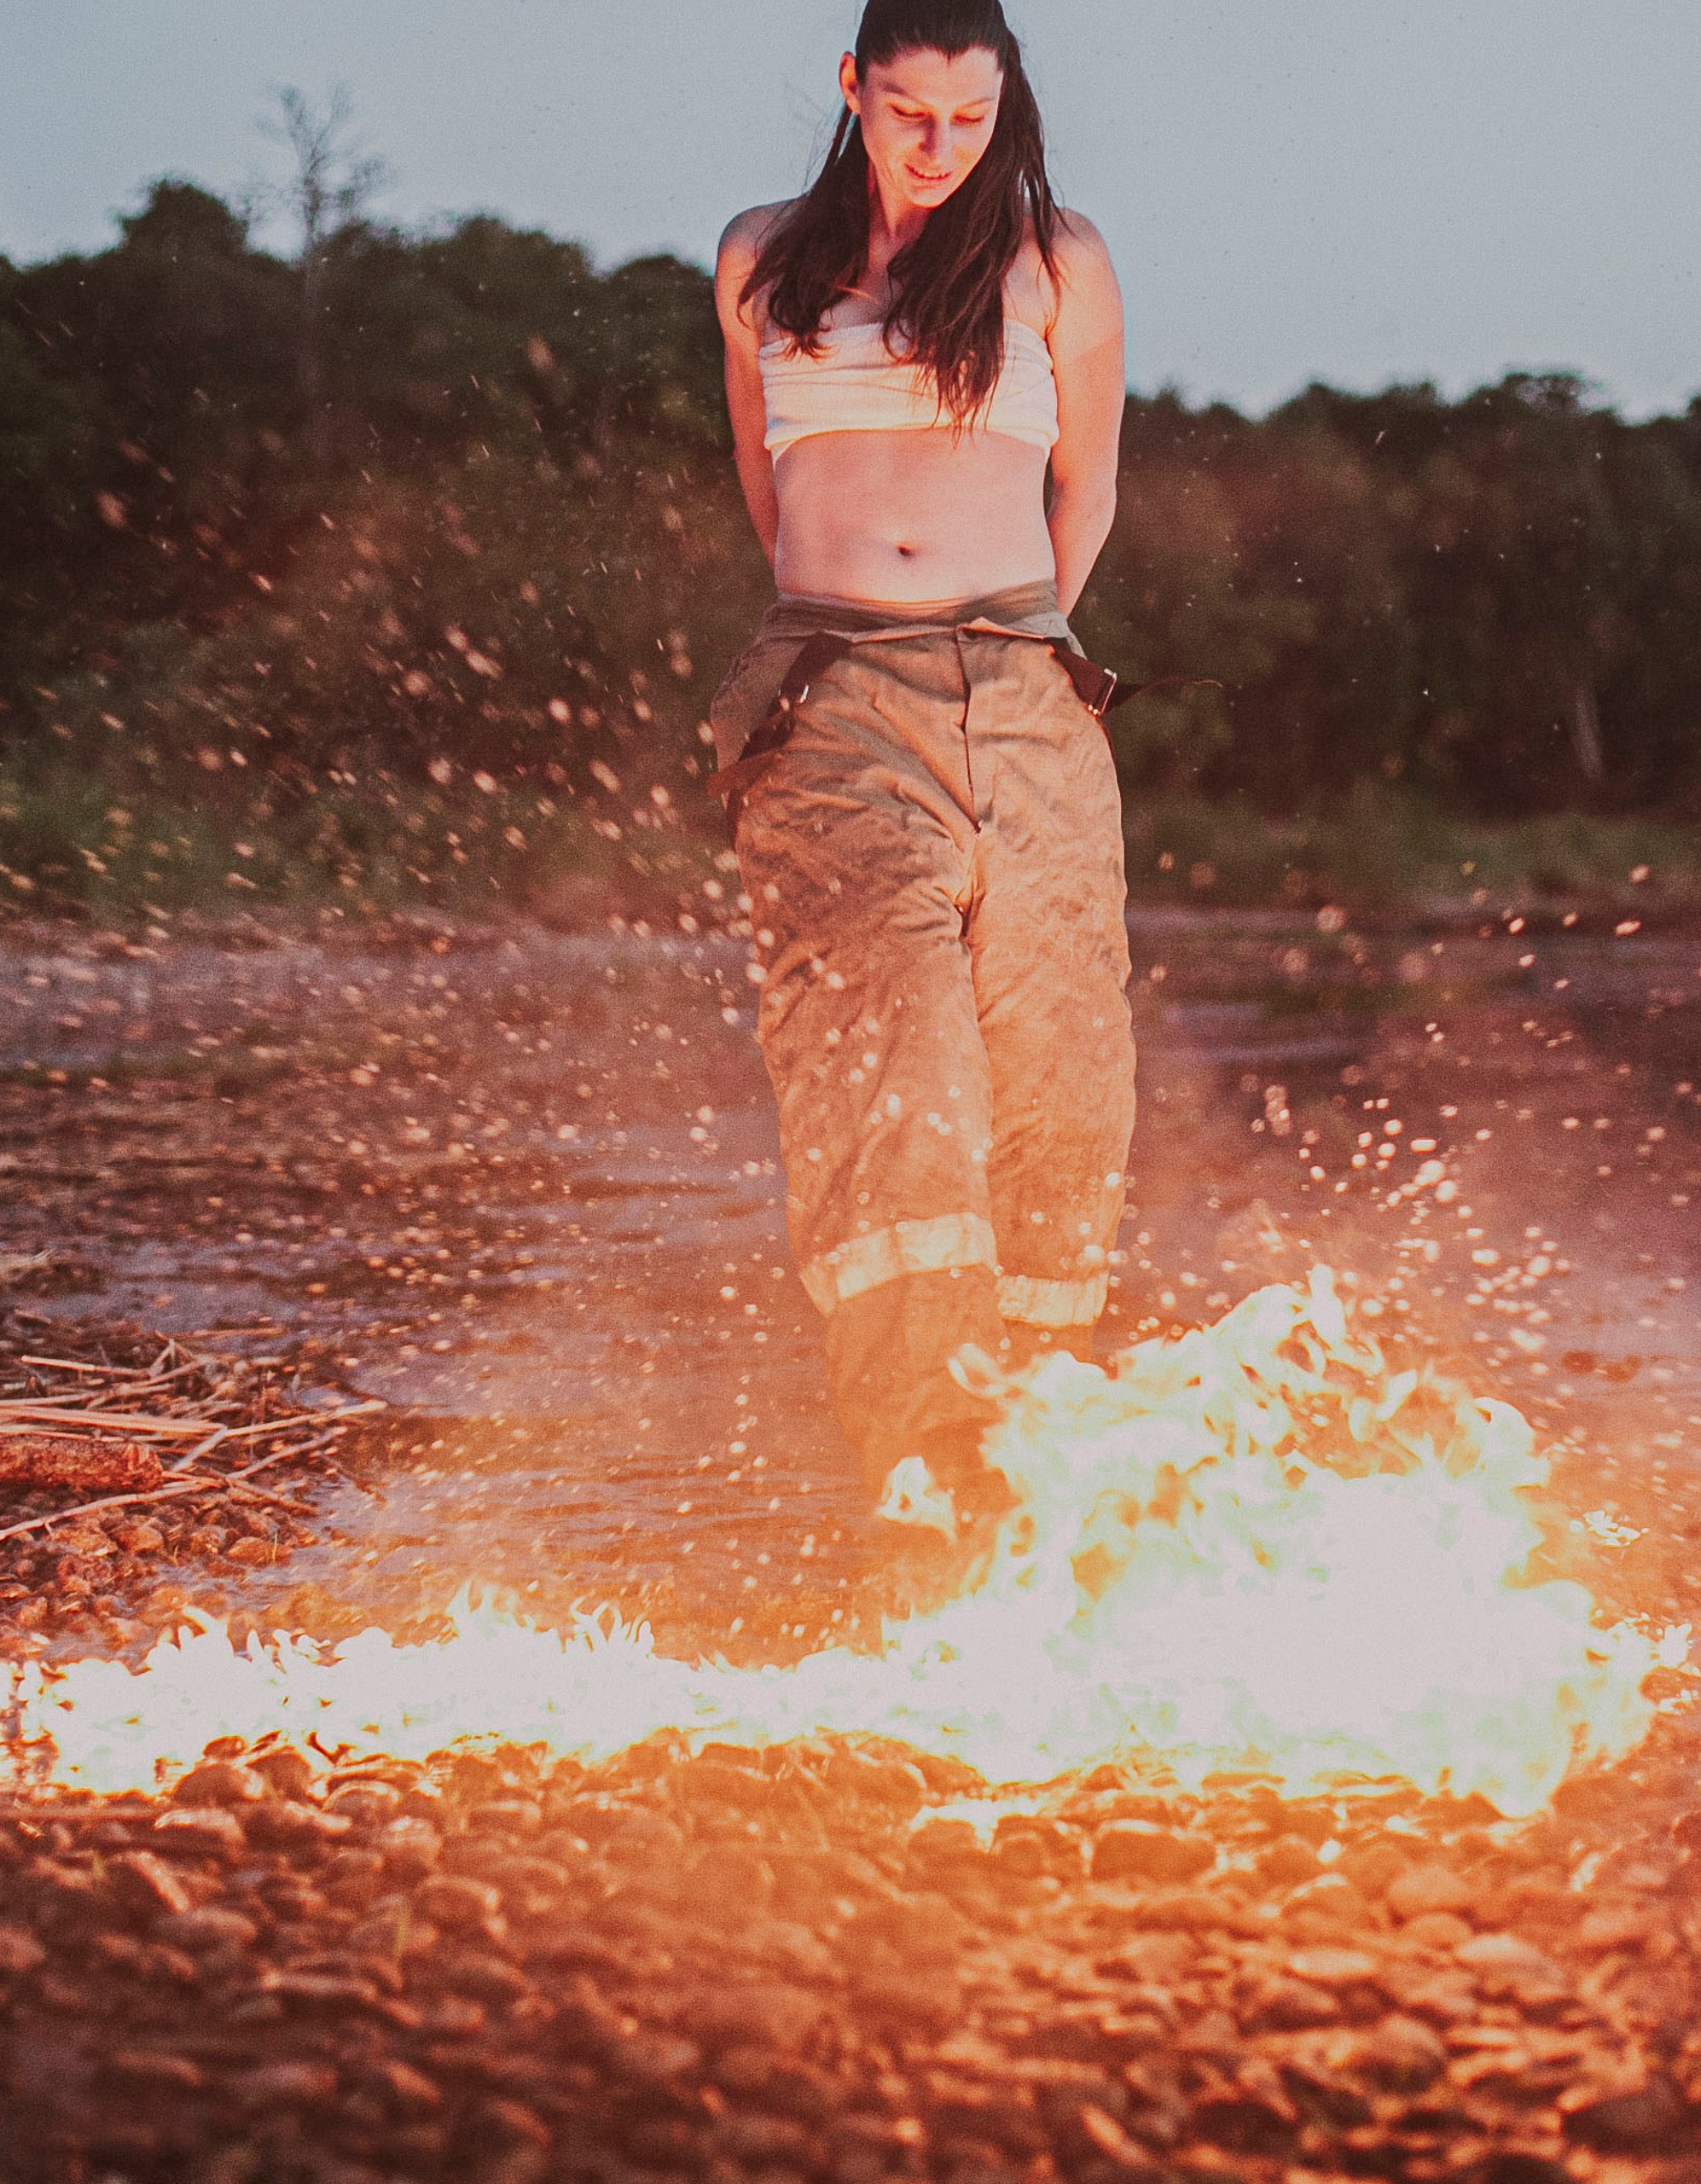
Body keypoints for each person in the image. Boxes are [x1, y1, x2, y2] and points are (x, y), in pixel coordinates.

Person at [711, 0, 1133, 1587]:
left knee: (1060, 1087)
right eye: (908, 113)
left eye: (968, 116)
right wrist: (852, 625)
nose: (939, 147)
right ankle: (922, 1495)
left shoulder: (1058, 260)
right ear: (852, 90)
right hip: (834, 700)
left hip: (1024, 691)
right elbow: (769, 479)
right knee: (893, 1083)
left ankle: (1032, 1475)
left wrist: (1018, 637)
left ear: (1005, 99)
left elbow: (1086, 481)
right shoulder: (762, 257)